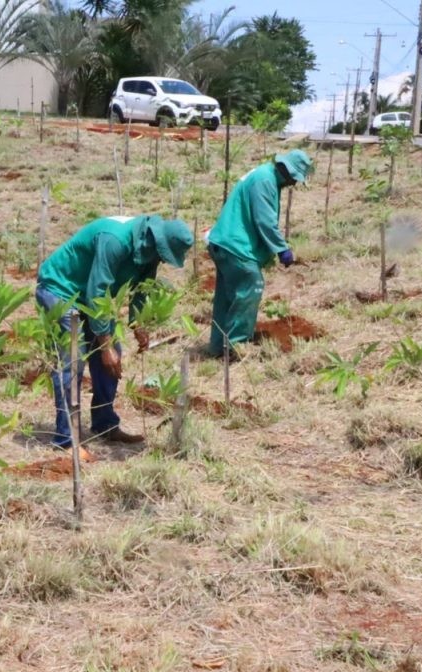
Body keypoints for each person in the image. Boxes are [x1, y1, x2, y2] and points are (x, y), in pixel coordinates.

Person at [36, 214, 194, 448]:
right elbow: (97, 292)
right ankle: (66, 440)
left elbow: (141, 289)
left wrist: (138, 324)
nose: (162, 260)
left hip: (89, 297)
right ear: (156, 241)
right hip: (61, 289)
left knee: (112, 357)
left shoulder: (149, 252)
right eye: (164, 255)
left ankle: (105, 425)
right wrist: (105, 346)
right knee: (73, 358)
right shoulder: (115, 241)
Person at [206, 149, 313, 357]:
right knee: (251, 284)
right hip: (235, 245)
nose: (294, 183)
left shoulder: (265, 176)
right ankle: (236, 346)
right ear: (287, 170)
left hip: (225, 242)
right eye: (294, 178)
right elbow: (264, 221)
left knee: (227, 297)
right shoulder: (265, 181)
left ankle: (218, 346)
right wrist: (282, 249)